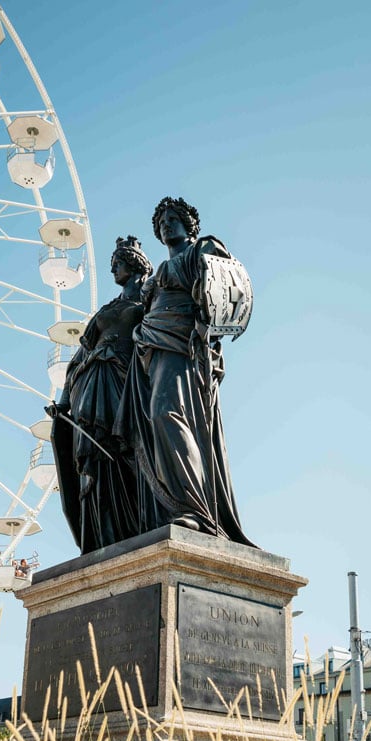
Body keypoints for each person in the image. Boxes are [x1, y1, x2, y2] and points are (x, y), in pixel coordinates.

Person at [114, 197, 252, 544]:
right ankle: (171, 506)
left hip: (182, 344)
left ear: (190, 223)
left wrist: (206, 327)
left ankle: (193, 506)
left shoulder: (202, 250)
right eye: (161, 221)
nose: (166, 224)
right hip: (154, 347)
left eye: (173, 218)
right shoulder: (160, 272)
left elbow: (228, 288)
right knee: (151, 425)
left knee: (166, 412)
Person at [48, 236, 153, 553]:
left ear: (134, 266)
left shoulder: (147, 304)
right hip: (92, 381)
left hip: (124, 381)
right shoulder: (107, 309)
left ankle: (128, 525)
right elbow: (80, 356)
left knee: (118, 451)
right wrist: (65, 402)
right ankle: (99, 534)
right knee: (91, 455)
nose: (113, 269)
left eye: (118, 263)